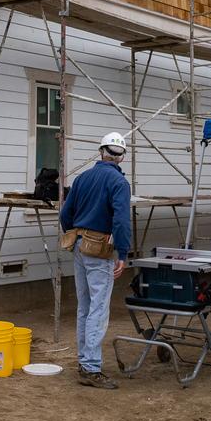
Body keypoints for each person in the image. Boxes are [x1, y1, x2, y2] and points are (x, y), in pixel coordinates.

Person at [60, 131, 132, 390]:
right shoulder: (119, 183)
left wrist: (76, 234)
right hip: (99, 248)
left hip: (78, 243)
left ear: (101, 152)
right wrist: (123, 253)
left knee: (85, 307)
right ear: (121, 156)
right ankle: (91, 367)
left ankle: (85, 362)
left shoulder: (83, 178)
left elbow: (65, 214)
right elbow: (122, 221)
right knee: (98, 309)